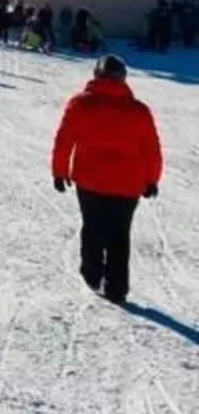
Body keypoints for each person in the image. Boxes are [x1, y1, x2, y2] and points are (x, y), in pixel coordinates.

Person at [51, 55, 164, 304]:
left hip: (90, 180)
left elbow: (64, 139)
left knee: (92, 226)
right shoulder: (139, 110)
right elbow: (151, 148)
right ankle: (117, 287)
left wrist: (59, 171)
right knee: (119, 233)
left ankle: (92, 273)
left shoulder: (81, 104)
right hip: (127, 184)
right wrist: (152, 179)